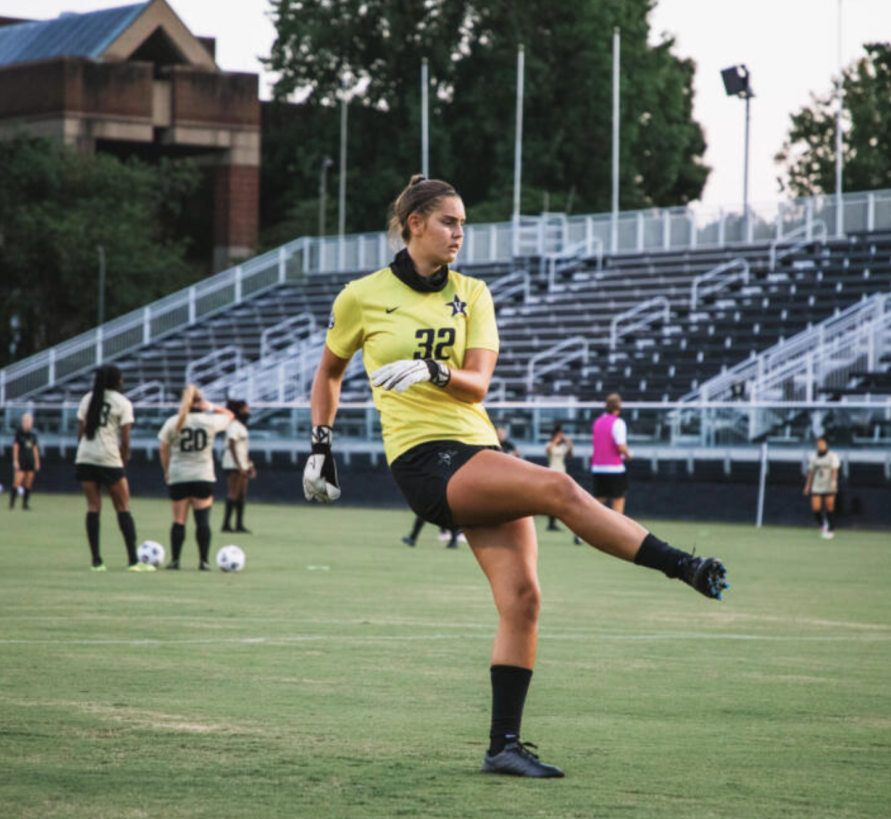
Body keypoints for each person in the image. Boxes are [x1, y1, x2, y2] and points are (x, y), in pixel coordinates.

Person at [302, 175, 728, 779]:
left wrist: (430, 369)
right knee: (559, 489)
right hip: (424, 460)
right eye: (449, 222)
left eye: (464, 224)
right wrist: (320, 446)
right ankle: (682, 565)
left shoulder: (472, 293)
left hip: (478, 448)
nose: (459, 234)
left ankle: (504, 746)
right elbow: (329, 374)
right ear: (414, 223)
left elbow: (477, 384)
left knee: (523, 599)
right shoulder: (360, 297)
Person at [75, 365, 151, 571]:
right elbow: (125, 438)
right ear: (118, 381)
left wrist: (85, 452)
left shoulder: (87, 399)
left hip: (85, 456)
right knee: (123, 507)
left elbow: (80, 433)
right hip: (108, 458)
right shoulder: (122, 403)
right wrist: (123, 460)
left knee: (93, 508)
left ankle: (96, 561)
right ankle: (133, 561)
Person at [159, 385, 234, 570]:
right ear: (199, 402)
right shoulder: (208, 421)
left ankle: (175, 560)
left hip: (179, 474)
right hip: (203, 475)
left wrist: (167, 470)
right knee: (202, 520)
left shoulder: (174, 421)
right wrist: (210, 407)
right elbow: (230, 415)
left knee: (179, 520)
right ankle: (203, 561)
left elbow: (163, 448)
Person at [591, 394, 631, 514]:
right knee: (618, 501)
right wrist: (628, 456)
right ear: (618, 407)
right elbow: (621, 446)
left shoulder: (597, 422)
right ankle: (616, 532)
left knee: (597, 503)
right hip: (614, 468)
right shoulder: (618, 423)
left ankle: (584, 532)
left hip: (597, 467)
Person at [221, 399, 256, 533]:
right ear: (240, 410)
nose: (248, 411)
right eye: (246, 408)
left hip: (242, 464)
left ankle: (239, 524)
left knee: (241, 495)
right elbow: (232, 445)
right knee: (233, 494)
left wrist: (249, 464)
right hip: (233, 464)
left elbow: (243, 449)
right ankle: (226, 524)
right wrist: (239, 465)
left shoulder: (241, 426)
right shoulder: (233, 425)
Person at [803, 436, 840, 539]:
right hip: (817, 485)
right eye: (818, 443)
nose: (820, 445)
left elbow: (834, 471)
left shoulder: (832, 456)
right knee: (815, 507)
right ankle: (823, 524)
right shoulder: (813, 457)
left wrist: (833, 483)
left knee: (829, 507)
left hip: (828, 485)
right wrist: (807, 486)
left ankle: (831, 530)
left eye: (822, 443)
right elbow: (811, 472)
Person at [543, 424, 575, 540]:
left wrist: (570, 445)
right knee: (552, 499)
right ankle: (551, 523)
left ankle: (555, 522)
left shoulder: (562, 447)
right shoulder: (550, 444)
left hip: (562, 473)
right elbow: (548, 451)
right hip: (552, 473)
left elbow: (571, 455)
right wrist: (555, 441)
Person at [10, 413, 40, 510]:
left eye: (30, 422)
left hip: (30, 461)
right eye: (26, 421)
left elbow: (35, 448)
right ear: (23, 422)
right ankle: (12, 504)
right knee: (17, 482)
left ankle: (25, 505)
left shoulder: (33, 434)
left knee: (28, 483)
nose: (28, 424)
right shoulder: (19, 434)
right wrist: (15, 461)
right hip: (21, 461)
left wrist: (37, 461)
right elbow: (15, 448)